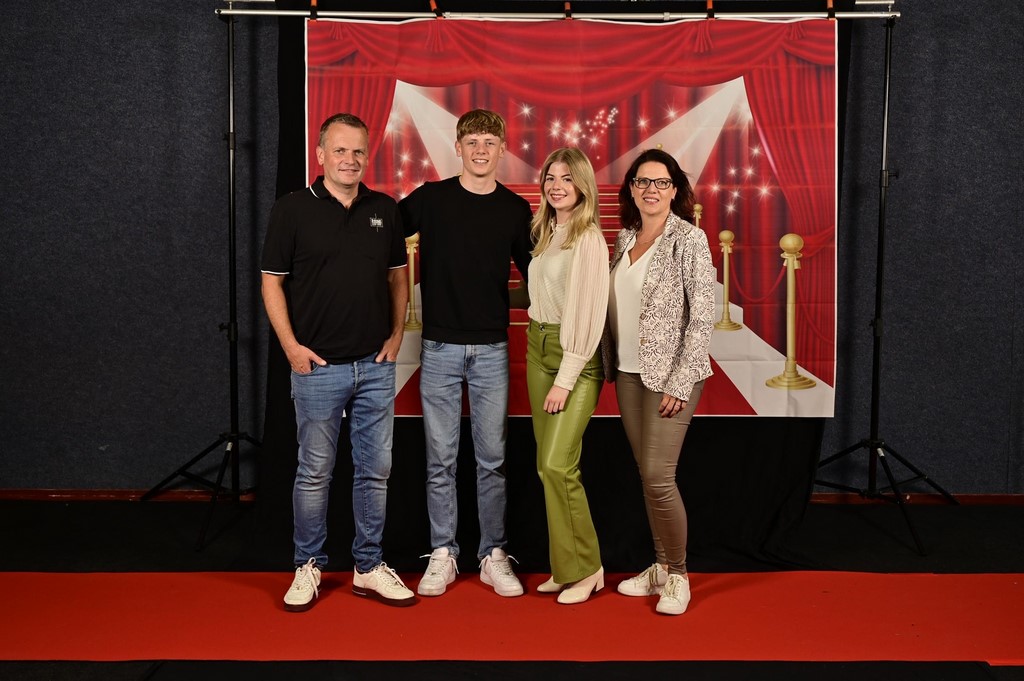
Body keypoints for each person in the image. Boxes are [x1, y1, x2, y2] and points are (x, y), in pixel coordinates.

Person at [261, 113, 414, 611]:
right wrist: (291, 347)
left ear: (368, 155)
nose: (350, 159)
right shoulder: (292, 209)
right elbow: (271, 282)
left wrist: (396, 334)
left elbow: (398, 276)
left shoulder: (384, 209)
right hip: (317, 368)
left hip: (375, 366)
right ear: (321, 154)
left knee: (375, 471)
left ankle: (368, 566)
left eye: (358, 151)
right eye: (340, 150)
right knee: (314, 472)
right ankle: (308, 564)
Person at [398, 109, 533, 598]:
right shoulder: (431, 199)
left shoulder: (515, 210)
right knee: (441, 459)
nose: (480, 150)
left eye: (489, 142)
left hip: (492, 347)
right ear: (457, 147)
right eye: (472, 141)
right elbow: (379, 232)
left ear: (502, 150)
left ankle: (493, 553)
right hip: (438, 346)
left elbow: (538, 274)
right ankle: (443, 552)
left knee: (492, 459)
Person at [601, 148, 715, 615]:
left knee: (658, 475)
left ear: (675, 190)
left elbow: (702, 317)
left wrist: (681, 380)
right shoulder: (624, 238)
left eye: (661, 182)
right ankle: (661, 567)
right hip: (629, 372)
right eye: (643, 181)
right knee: (646, 476)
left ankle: (680, 576)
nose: (651, 189)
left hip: (671, 377)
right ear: (631, 189)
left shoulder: (690, 239)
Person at [526, 147, 610, 605]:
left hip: (573, 355)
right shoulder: (547, 232)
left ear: (583, 186)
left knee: (559, 464)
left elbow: (589, 314)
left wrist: (566, 376)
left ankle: (587, 568)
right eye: (550, 178)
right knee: (546, 467)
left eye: (566, 178)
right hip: (537, 348)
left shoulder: (588, 238)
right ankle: (566, 566)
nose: (556, 186)